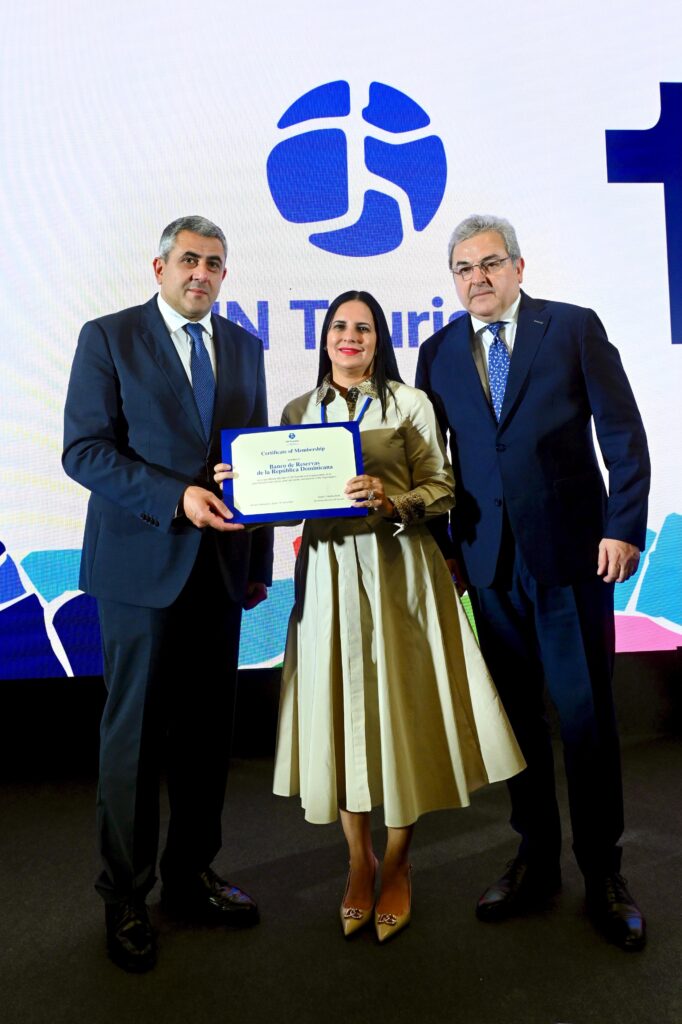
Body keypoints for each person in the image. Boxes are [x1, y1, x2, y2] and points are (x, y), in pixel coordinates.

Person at [217, 290, 524, 943]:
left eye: (362, 328)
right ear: (324, 338)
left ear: (378, 338)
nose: (349, 337)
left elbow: (441, 488)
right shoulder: (299, 412)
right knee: (340, 719)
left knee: (400, 718)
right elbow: (283, 499)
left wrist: (393, 498)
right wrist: (242, 486)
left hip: (400, 573)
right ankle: (358, 866)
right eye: (338, 327)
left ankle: (398, 863)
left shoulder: (410, 404)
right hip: (327, 577)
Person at [415, 214, 650, 951]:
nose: (476, 279)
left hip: (575, 555)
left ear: (518, 267)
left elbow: (623, 434)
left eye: (489, 264)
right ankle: (536, 859)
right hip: (487, 564)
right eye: (462, 269)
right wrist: (446, 550)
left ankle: (603, 870)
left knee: (585, 720)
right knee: (517, 723)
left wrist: (623, 526)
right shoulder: (438, 351)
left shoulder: (573, 329)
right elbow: (436, 462)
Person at [62, 215, 274, 972]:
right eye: (189, 260)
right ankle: (124, 895)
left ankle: (190, 877)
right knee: (134, 742)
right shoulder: (108, 337)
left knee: (207, 738)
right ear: (159, 267)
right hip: (138, 574)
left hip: (219, 573)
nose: (202, 274)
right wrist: (174, 496)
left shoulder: (246, 347)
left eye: (215, 264)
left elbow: (252, 464)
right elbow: (83, 450)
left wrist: (259, 566)